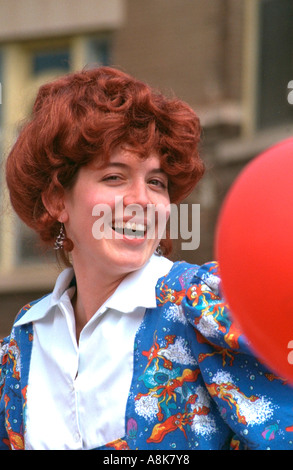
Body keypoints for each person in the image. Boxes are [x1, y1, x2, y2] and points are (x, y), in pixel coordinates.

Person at [0, 66, 292, 451]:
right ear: (57, 200)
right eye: (114, 177)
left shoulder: (203, 306)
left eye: (156, 182)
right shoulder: (22, 347)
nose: (142, 200)